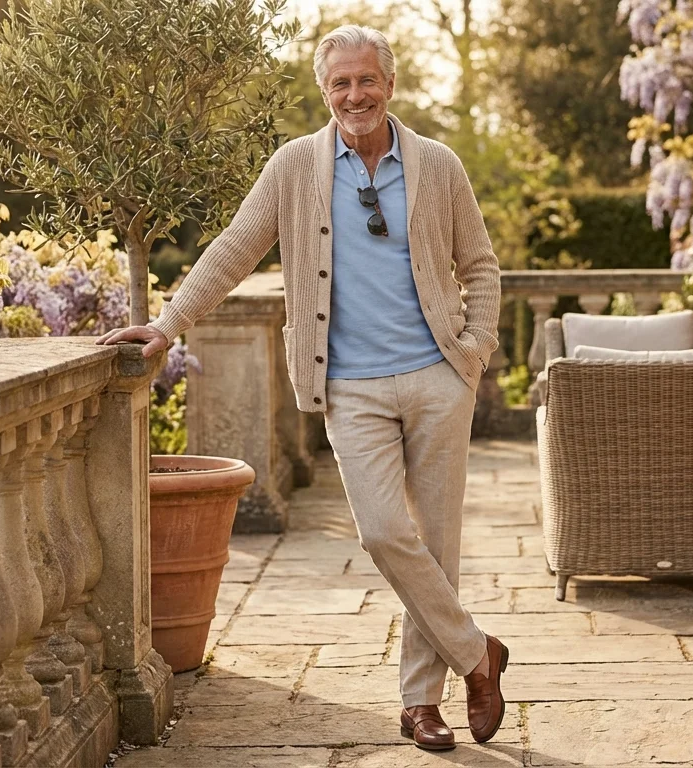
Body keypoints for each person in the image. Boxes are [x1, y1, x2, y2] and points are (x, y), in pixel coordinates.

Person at [95, 24, 507, 751]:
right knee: (384, 533)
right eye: (340, 82)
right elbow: (233, 248)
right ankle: (478, 655)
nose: (355, 94)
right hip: (350, 385)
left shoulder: (438, 165)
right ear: (324, 91)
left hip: (437, 377)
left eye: (367, 79)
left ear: (390, 84)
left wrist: (473, 350)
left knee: (437, 546)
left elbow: (479, 265)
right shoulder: (294, 167)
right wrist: (167, 323)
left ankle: (421, 702)